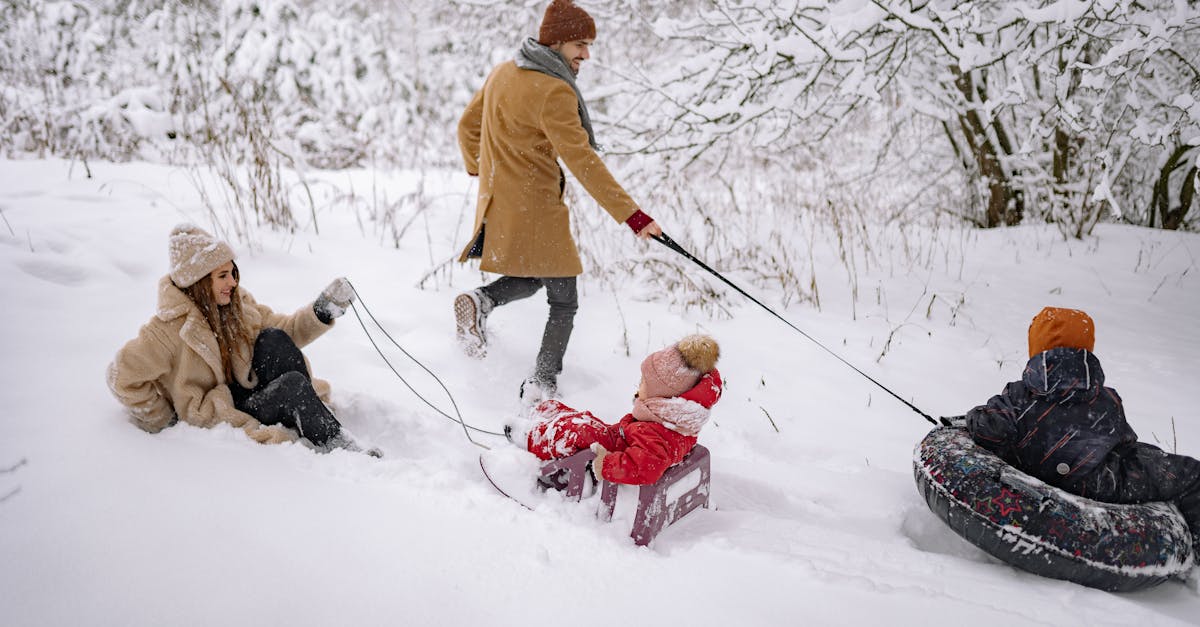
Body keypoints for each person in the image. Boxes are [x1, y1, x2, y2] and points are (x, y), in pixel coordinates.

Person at [454, 0, 663, 403]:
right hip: (538, 207)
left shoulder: (505, 71)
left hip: (502, 200)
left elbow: (467, 126)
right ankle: (542, 386)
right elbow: (583, 161)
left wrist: (478, 169)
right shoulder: (554, 91)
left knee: (537, 276)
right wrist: (633, 216)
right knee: (564, 300)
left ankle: (480, 302)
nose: (587, 54)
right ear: (558, 42)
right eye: (580, 44)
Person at [107, 223, 378, 456]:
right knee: (293, 386)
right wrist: (163, 419)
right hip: (223, 409)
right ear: (199, 282)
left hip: (248, 387)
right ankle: (339, 445)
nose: (232, 283)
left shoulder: (237, 305)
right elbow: (121, 377)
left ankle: (311, 416)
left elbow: (286, 330)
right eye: (222, 276)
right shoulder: (167, 331)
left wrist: (323, 310)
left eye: (232, 273)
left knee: (273, 339)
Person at [961, 306, 1199, 556]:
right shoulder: (1107, 399)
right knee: (1190, 474)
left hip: (1034, 469)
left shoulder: (1018, 395)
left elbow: (990, 429)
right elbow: (1124, 442)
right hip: (1100, 484)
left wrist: (976, 418)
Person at [512, 334, 722, 486]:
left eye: (644, 383)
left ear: (663, 396)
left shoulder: (657, 433)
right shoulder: (672, 420)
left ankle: (530, 436)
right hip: (620, 441)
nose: (639, 387)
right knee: (582, 420)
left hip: (613, 452)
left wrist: (605, 463)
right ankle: (539, 410)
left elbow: (645, 468)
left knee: (578, 431)